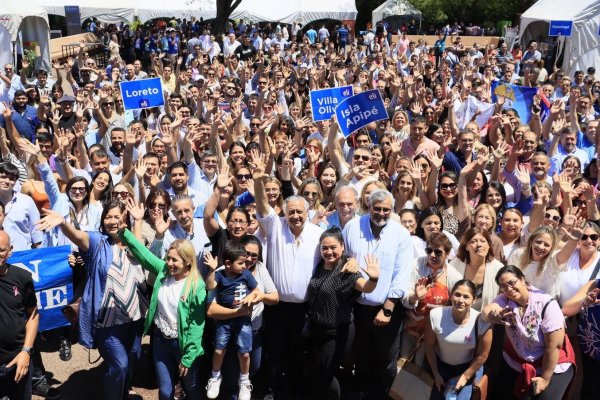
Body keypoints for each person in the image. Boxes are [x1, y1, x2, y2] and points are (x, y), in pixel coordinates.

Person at [37, 202, 148, 400]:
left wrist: (137, 222)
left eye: (117, 216)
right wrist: (63, 223)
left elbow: (142, 254)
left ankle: (122, 389)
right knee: (119, 364)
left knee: (133, 356)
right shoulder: (98, 242)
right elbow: (79, 237)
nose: (112, 221)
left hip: (134, 316)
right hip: (107, 320)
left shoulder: (132, 242)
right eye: (108, 217)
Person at [119, 203, 206, 400]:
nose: (169, 263)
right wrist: (125, 234)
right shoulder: (163, 272)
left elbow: (196, 326)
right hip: (160, 341)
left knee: (191, 388)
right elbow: (143, 255)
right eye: (168, 258)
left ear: (188, 262)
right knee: (165, 392)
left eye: (175, 260)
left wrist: (188, 357)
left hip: (183, 345)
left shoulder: (196, 286)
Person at [343, 189, 414, 398]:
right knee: (361, 356)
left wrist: (388, 309)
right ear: (368, 207)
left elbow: (401, 274)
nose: (381, 213)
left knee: (386, 361)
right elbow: (346, 260)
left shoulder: (400, 234)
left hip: (387, 308)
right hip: (357, 306)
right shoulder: (352, 226)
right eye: (377, 208)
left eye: (386, 209)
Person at [306, 228, 380, 399]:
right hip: (316, 329)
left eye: (333, 247)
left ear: (342, 247)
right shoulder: (319, 265)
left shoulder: (348, 269)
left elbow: (365, 286)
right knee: (318, 371)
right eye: (325, 248)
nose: (329, 252)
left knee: (325, 375)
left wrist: (374, 278)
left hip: (336, 331)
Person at [483, 265, 575, 400]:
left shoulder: (546, 304)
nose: (509, 289)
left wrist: (545, 379)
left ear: (522, 279)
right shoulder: (505, 299)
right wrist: (492, 315)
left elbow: (554, 346)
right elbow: (487, 311)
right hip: (519, 361)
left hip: (552, 363)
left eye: (512, 283)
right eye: (503, 286)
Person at [204, 240, 263, 400]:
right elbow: (210, 286)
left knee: (244, 353)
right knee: (218, 350)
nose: (245, 265)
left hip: (243, 321)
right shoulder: (220, 275)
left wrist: (251, 296)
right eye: (241, 263)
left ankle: (244, 380)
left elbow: (257, 291)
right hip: (224, 321)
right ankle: (215, 377)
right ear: (228, 264)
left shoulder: (246, 274)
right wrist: (211, 270)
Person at [425, 279, 492, 400]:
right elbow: (429, 346)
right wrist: (436, 374)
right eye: (457, 294)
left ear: (474, 300)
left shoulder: (481, 322)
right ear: (451, 295)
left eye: (466, 297)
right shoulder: (435, 315)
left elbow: (483, 355)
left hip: (467, 368)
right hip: (440, 367)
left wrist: (466, 376)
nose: (461, 300)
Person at [401, 232, 452, 363]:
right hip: (410, 327)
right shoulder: (415, 265)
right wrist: (415, 297)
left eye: (438, 252)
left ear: (448, 254)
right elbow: (406, 295)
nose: (432, 255)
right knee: (403, 364)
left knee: (421, 368)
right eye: (429, 250)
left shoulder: (453, 276)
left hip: (433, 332)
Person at [0, 230, 39, 399]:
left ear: (10, 251)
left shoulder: (22, 277)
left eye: (1, 249)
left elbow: (33, 315)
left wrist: (26, 351)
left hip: (17, 358)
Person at [562, 277, 600, 399]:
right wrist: (584, 301)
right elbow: (566, 309)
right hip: (592, 352)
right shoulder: (595, 284)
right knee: (591, 390)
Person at [448, 227, 503, 311]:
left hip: (487, 319)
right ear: (466, 246)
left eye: (483, 241)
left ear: (489, 245)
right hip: (458, 316)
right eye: (473, 241)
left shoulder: (498, 269)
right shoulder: (454, 265)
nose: (479, 245)